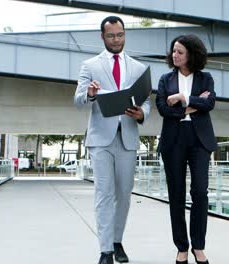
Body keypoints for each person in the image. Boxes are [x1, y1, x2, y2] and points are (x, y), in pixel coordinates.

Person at [74, 16, 150, 264]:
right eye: (111, 36)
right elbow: (77, 100)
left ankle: (117, 240)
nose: (116, 40)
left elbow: (146, 101)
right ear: (102, 37)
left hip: (127, 137)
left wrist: (142, 114)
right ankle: (105, 250)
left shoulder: (138, 68)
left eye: (120, 35)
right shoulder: (90, 65)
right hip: (100, 140)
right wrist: (91, 94)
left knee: (124, 194)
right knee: (103, 194)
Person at [156, 34, 217, 264]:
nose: (175, 55)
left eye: (180, 51)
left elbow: (210, 103)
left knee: (200, 192)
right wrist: (191, 107)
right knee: (177, 195)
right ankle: (182, 247)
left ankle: (198, 246)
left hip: (199, 140)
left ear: (191, 53)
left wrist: (183, 98)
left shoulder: (205, 78)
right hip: (174, 140)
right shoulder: (165, 79)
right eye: (173, 51)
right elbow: (162, 107)